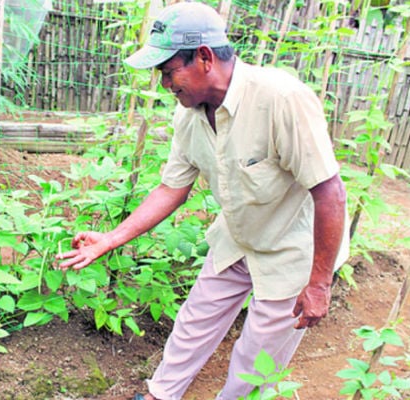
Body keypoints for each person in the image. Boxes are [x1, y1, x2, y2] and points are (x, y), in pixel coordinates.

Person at [56, 2, 350, 399]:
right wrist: (111, 238)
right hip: (238, 237)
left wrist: (319, 282)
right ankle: (159, 395)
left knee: (254, 361)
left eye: (168, 71)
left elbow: (329, 191)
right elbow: (171, 189)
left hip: (292, 251)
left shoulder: (281, 98)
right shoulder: (190, 115)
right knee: (193, 323)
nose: (164, 85)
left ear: (205, 58)